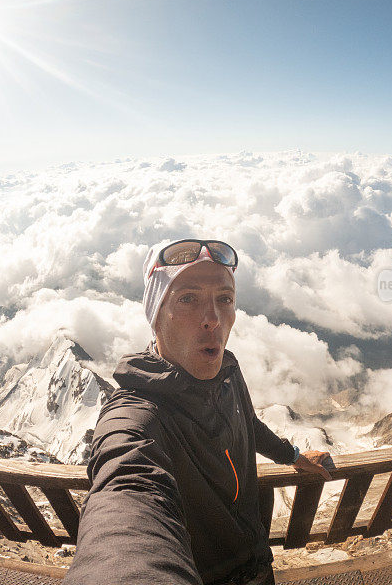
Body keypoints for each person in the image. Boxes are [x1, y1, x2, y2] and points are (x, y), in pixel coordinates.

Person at [64, 238, 332, 585]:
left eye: (224, 299)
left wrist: (293, 455)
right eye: (188, 298)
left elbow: (247, 424)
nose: (213, 319)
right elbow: (126, 488)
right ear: (156, 313)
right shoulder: (138, 413)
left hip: (258, 565)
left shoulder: (228, 372)